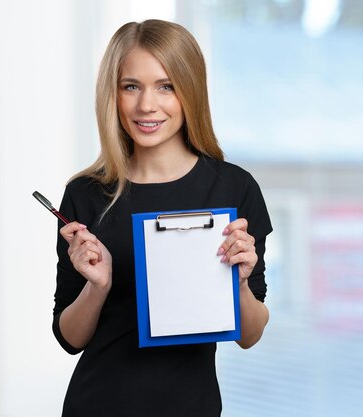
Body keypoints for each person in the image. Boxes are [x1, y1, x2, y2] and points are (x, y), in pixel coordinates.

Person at [52, 19, 272, 416]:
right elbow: (69, 337)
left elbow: (250, 336)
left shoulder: (233, 189)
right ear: (113, 95)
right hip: (96, 403)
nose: (146, 105)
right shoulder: (85, 194)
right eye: (130, 86)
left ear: (190, 91)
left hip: (193, 406)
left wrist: (238, 283)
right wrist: (97, 286)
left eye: (165, 86)